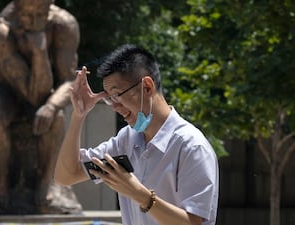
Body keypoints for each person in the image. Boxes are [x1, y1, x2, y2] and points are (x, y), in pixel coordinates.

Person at [54, 44, 219, 225]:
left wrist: (140, 195)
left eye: (117, 95)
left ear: (147, 87)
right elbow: (67, 175)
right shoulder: (126, 139)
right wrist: (79, 116)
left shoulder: (191, 146)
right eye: (109, 98)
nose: (115, 106)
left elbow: (195, 223)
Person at [0, 0, 81, 214]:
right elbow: (31, 91)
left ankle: (48, 183)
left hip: (46, 94)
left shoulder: (65, 24)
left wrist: (52, 105)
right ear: (17, 9)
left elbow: (69, 80)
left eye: (40, 15)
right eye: (28, 16)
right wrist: (39, 52)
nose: (34, 22)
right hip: (9, 90)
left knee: (57, 118)